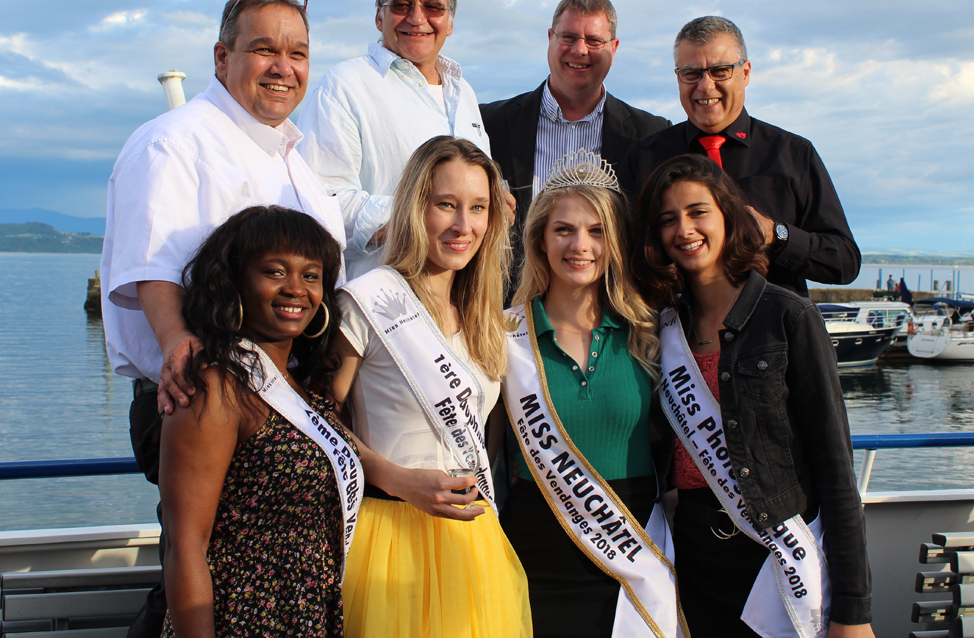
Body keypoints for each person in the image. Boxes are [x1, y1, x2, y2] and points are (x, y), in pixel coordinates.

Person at [99, 0, 345, 636]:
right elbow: (151, 263)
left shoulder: (299, 162)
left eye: (298, 53)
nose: (282, 67)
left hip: (289, 404)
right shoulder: (173, 141)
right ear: (221, 56)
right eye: (263, 49)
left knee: (272, 567)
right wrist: (180, 341)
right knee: (202, 563)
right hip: (203, 397)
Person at [633, 154, 874, 637]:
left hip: (776, 557)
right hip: (693, 559)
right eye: (668, 219)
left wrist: (854, 611)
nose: (684, 229)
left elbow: (835, 470)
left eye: (698, 211)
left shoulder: (788, 318)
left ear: (728, 215)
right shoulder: (659, 329)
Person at [330, 136, 531, 638]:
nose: (464, 226)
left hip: (472, 540)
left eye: (479, 208)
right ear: (416, 207)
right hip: (389, 540)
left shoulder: (485, 317)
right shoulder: (364, 302)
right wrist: (395, 477)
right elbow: (316, 422)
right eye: (447, 205)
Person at [497, 149, 684, 637]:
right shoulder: (503, 336)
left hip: (633, 549)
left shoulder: (649, 333)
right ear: (539, 239)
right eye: (564, 229)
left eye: (596, 230)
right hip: (532, 551)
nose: (580, 245)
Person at [159, 206, 360, 638]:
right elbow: (185, 545)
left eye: (311, 276)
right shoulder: (216, 387)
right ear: (235, 283)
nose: (296, 289)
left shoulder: (304, 388)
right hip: (240, 619)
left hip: (308, 615)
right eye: (274, 272)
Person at [619, 15, 860, 296]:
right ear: (678, 77)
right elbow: (623, 254)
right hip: (675, 332)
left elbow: (844, 261)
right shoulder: (645, 157)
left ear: (745, 73)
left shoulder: (793, 154)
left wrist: (776, 234)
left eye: (720, 71)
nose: (706, 86)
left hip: (771, 331)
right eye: (691, 73)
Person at [296, 0, 498, 279]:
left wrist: (494, 201)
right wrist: (423, 214)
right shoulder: (344, 86)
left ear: (450, 21)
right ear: (379, 16)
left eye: (433, 7)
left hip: (463, 303)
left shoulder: (465, 95)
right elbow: (321, 204)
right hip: (383, 310)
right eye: (402, 5)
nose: (417, 18)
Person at [480, 0, 670, 283]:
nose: (580, 50)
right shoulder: (488, 124)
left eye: (594, 41)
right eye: (568, 37)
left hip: (611, 314)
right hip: (508, 309)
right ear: (550, 39)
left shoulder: (652, 135)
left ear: (614, 48)